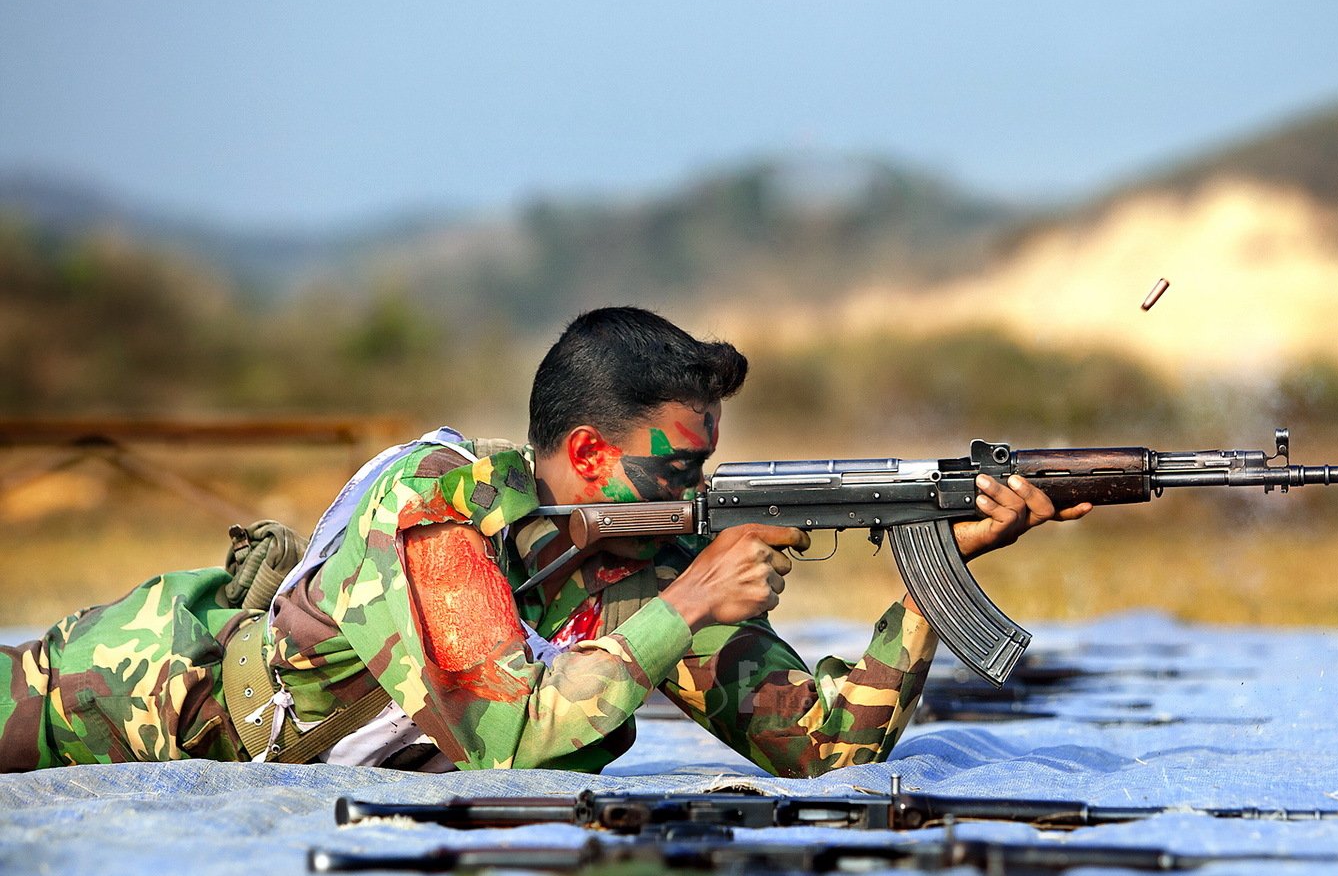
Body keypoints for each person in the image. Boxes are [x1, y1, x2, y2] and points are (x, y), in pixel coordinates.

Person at [0, 307, 1090, 774]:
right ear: (585, 450)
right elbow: (499, 732)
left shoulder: (634, 573)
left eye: (710, 465)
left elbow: (820, 744)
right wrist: (688, 605)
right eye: (677, 469)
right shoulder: (441, 504)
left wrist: (931, 567)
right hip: (110, 701)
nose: (699, 492)